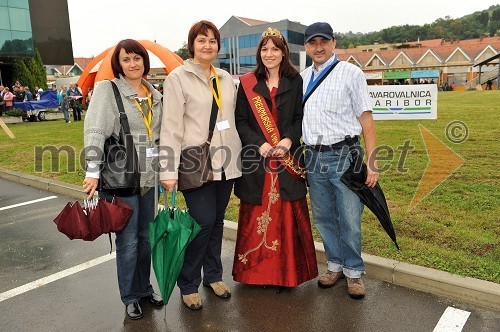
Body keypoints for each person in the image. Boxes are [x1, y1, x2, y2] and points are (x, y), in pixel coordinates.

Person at [159, 20, 242, 310]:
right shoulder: (177, 78)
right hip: (195, 163)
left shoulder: (225, 77)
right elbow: (170, 127)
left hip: (226, 162)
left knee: (216, 222)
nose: (207, 46)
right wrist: (168, 170)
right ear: (192, 44)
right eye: (201, 40)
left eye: (212, 41)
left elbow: (232, 120)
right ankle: (189, 283)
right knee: (202, 222)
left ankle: (214, 276)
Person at [82, 39, 164, 320]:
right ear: (119, 64)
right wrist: (92, 171)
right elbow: (95, 130)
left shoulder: (155, 94)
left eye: (137, 58)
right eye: (126, 59)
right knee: (128, 241)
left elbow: (158, 137)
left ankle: (143, 289)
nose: (133, 64)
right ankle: (129, 296)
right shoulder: (108, 89)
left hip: (149, 178)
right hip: (121, 179)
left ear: (145, 61)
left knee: (145, 239)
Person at [232, 27, 318, 288]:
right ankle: (255, 274)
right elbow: (241, 120)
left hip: (286, 159)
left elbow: (299, 117)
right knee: (258, 212)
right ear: (259, 52)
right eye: (265, 49)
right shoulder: (247, 83)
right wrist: (258, 143)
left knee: (287, 213)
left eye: (275, 49)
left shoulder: (296, 81)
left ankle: (286, 274)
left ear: (284, 52)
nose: (269, 54)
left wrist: (289, 139)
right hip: (258, 161)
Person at [301, 22, 379, 299]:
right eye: (312, 43)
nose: (318, 47)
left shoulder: (351, 73)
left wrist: (372, 161)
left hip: (345, 156)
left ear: (333, 43)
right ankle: (334, 265)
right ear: (307, 46)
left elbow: (366, 118)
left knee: (349, 217)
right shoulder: (302, 77)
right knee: (323, 217)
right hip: (313, 157)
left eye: (323, 41)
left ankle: (354, 272)